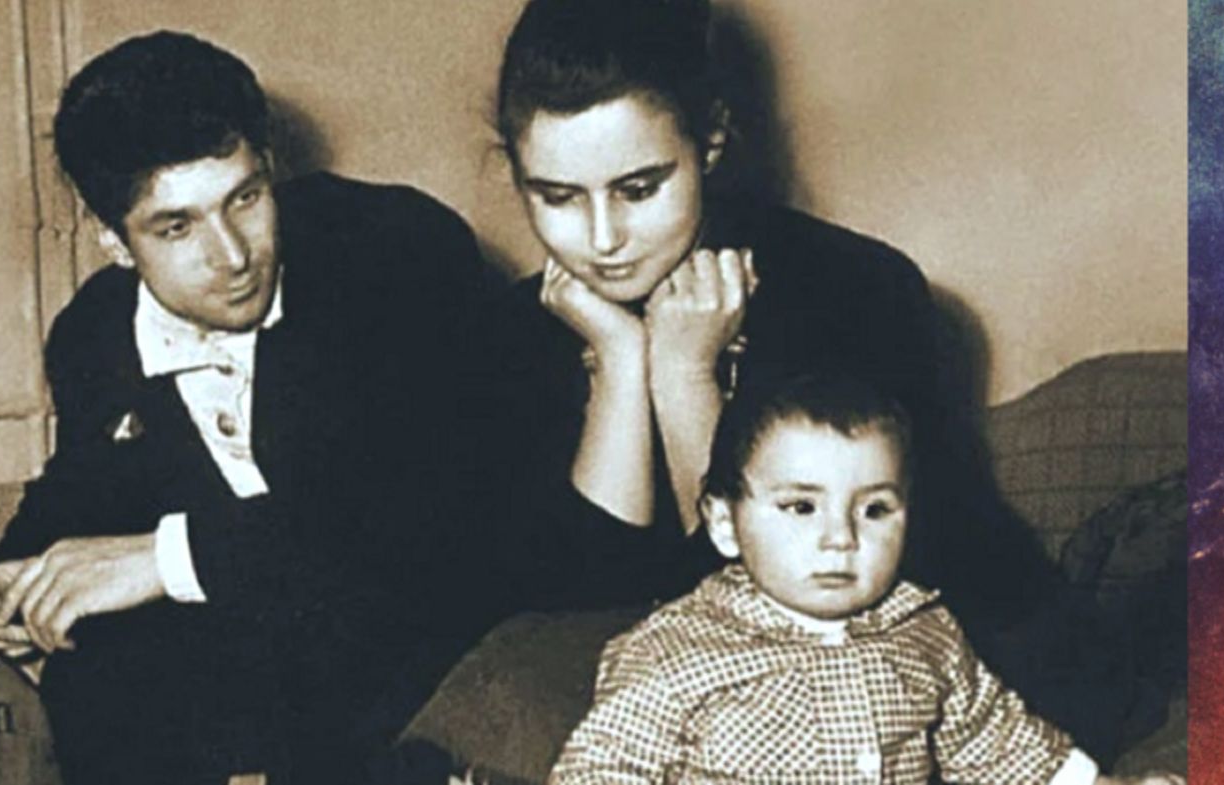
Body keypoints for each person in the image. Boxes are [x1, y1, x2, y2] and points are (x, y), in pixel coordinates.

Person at [490, 0, 1148, 761]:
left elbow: (807, 587)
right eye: (557, 196)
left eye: (639, 189)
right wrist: (618, 359)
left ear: (710, 142)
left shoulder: (855, 286)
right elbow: (571, 609)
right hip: (670, 711)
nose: (603, 240)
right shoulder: (518, 326)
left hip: (951, 658)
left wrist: (684, 373)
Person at [0, 30, 521, 785]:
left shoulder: (400, 253)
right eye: (177, 226)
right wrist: (13, 574)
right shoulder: (94, 332)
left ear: (271, 167)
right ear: (112, 241)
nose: (233, 255)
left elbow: (426, 516)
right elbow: (89, 475)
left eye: (245, 198)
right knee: (88, 680)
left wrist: (165, 558)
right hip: (252, 656)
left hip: (414, 636)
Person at [549, 374, 1184, 785]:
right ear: (724, 523)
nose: (840, 537)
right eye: (801, 507)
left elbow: (1000, 746)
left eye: (874, 510)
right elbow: (602, 769)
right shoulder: (674, 649)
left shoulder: (925, 631)